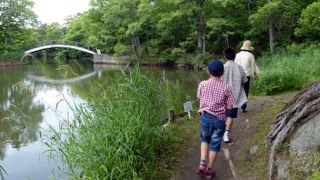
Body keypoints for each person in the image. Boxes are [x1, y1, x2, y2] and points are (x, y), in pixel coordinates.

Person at [197, 60, 235, 179]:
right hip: (219, 120)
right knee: (214, 145)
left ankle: (202, 163)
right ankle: (209, 170)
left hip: (205, 117)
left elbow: (199, 96)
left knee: (204, 140)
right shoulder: (226, 87)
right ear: (222, 72)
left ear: (208, 71)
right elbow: (230, 106)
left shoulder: (202, 84)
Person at [221, 48, 248, 143]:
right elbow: (245, 81)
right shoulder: (239, 67)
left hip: (222, 96)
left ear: (225, 56)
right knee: (230, 116)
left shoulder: (222, 67)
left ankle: (221, 131)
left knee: (222, 114)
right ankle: (226, 135)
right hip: (234, 96)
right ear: (235, 56)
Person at [235, 40, 260, 112]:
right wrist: (255, 76)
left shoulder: (237, 55)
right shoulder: (251, 56)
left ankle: (237, 105)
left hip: (238, 75)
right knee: (245, 91)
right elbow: (253, 67)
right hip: (246, 75)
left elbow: (235, 65)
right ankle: (243, 106)